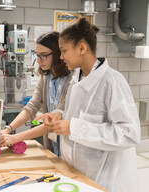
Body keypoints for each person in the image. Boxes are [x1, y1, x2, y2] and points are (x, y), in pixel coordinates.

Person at [36, 18, 140, 192]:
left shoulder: (112, 81)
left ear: (82, 48)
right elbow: (75, 111)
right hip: (79, 175)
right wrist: (59, 114)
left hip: (106, 182)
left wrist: (73, 127)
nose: (61, 57)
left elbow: (129, 133)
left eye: (64, 51)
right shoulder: (77, 78)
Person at [0, 31, 72, 156]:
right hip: (53, 146)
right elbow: (32, 106)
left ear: (58, 54)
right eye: (37, 55)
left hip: (69, 147)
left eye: (43, 55)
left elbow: (53, 121)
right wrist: (8, 129)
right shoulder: (45, 76)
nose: (38, 60)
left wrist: (15, 138)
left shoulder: (73, 79)